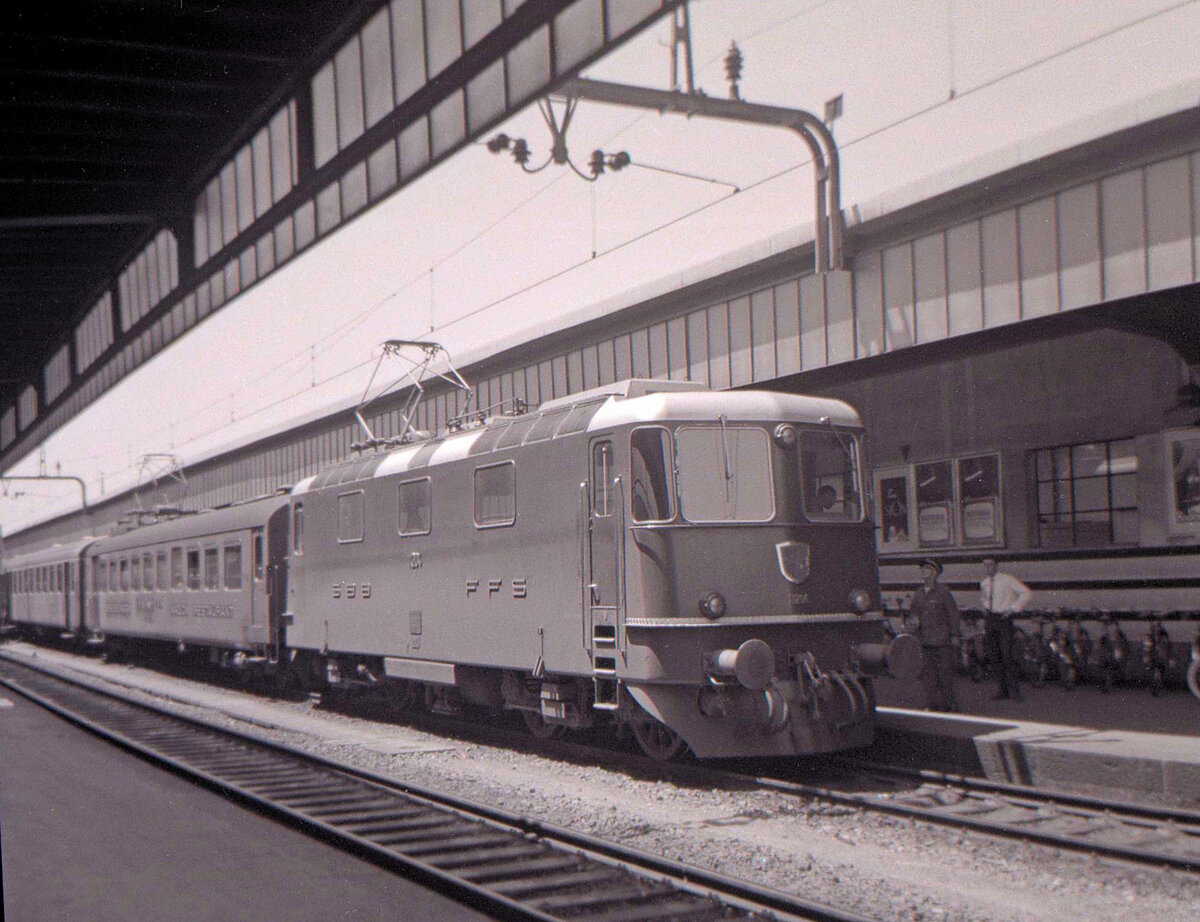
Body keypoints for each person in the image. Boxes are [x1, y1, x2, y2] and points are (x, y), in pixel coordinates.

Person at [906, 558, 961, 712]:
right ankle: (932, 704)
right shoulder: (918, 593)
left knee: (945, 674)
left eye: (928, 569)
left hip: (942, 641)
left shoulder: (943, 592)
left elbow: (953, 615)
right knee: (928, 675)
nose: (924, 572)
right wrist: (912, 624)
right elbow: (913, 614)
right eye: (923, 569)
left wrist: (955, 635)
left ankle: (949, 705)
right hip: (924, 640)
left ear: (935, 573)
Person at [979, 557, 1031, 700]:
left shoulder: (1007, 580)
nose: (988, 568)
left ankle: (1015, 691)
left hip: (1004, 619)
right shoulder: (984, 583)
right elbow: (984, 598)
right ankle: (1002, 691)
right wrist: (986, 608)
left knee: (1007, 655)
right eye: (985, 565)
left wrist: (1013, 609)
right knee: (994, 656)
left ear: (996, 566)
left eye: (990, 565)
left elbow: (1026, 593)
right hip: (991, 619)